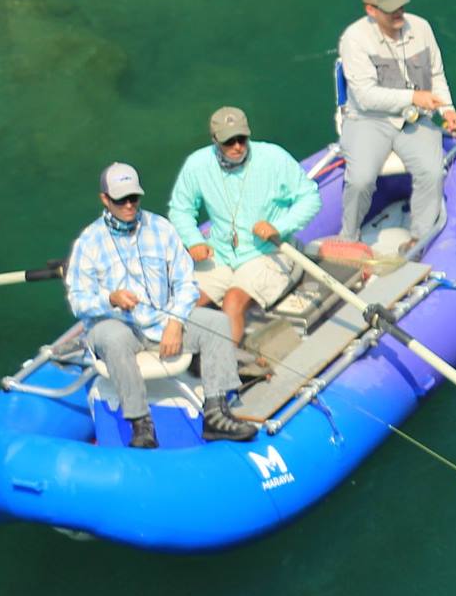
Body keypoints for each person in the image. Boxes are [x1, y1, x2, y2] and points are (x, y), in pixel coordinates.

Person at [65, 162, 255, 446]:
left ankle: (216, 413)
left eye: (134, 197)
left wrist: (176, 323)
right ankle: (140, 424)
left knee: (216, 322)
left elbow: (187, 284)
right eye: (120, 200)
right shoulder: (88, 242)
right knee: (114, 337)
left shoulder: (161, 229)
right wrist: (110, 298)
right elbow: (78, 301)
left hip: (162, 325)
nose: (129, 205)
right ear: (105, 199)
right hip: (118, 327)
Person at [167, 106, 320, 347]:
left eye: (242, 138)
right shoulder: (197, 165)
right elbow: (181, 209)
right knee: (186, 299)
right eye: (229, 142)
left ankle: (225, 372)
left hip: (268, 252)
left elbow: (310, 197)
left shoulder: (274, 157)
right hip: (221, 252)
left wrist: (279, 226)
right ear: (215, 140)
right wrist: (194, 239)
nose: (237, 146)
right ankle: (177, 355)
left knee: (233, 301)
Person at [337, 0, 456, 251]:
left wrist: (447, 110)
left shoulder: (422, 28)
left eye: (400, 4)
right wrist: (414, 96)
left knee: (431, 171)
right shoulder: (354, 39)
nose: (398, 12)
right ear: (371, 10)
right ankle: (347, 239)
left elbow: (436, 74)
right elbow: (366, 97)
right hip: (369, 120)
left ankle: (419, 239)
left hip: (415, 119)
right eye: (390, 8)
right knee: (360, 179)